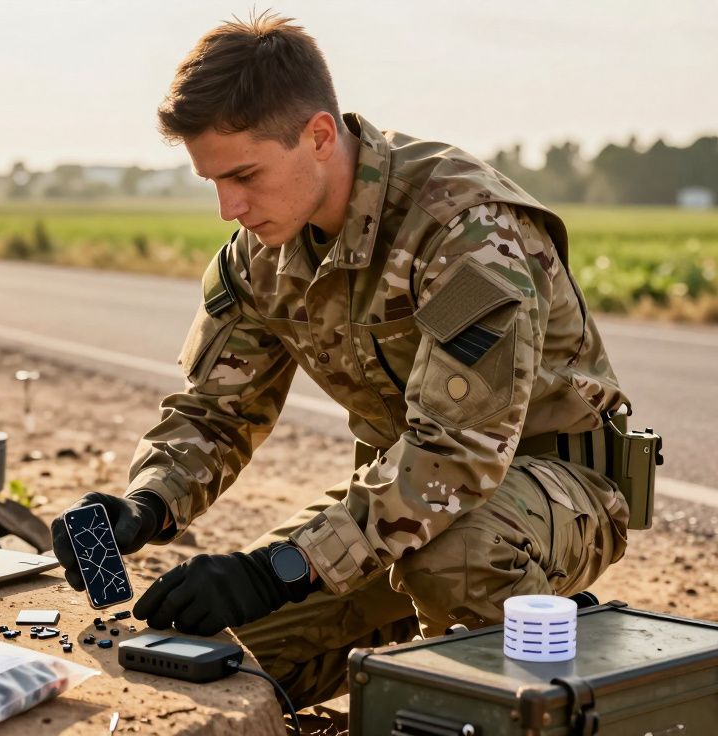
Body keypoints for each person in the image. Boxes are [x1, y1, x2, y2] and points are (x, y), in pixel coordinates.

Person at [51, 11, 632, 708]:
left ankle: (527, 658)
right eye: (213, 182)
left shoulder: (460, 228)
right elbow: (216, 409)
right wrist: (146, 503)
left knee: (457, 559)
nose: (228, 208)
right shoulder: (259, 254)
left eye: (244, 175)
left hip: (553, 485)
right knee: (223, 656)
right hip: (404, 495)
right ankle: (411, 635)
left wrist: (280, 568)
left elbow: (459, 454)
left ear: (318, 135)